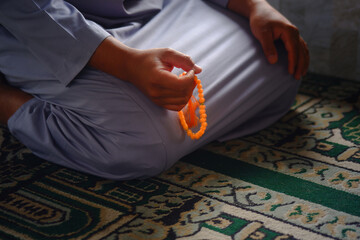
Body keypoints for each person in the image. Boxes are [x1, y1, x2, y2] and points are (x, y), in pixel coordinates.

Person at [0, 0, 309, 180]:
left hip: (154, 7)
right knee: (140, 142)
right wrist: (125, 63)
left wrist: (253, 4)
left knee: (279, 54)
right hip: (40, 30)